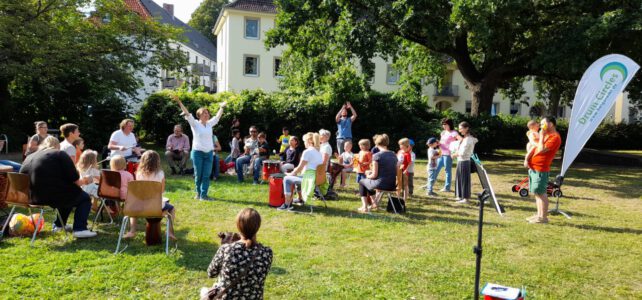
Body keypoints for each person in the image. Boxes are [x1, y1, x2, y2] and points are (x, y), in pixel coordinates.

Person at [19, 136, 97, 238]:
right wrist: (86, 180)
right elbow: (75, 179)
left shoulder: (30, 157)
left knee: (69, 194)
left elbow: (21, 177)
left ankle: (59, 225)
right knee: (84, 198)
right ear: (57, 146)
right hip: (51, 195)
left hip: (30, 196)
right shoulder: (59, 154)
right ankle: (80, 229)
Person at [202, 208, 272, 299]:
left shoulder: (226, 249)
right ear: (258, 227)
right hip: (254, 297)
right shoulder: (267, 252)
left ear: (238, 226)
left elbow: (211, 273)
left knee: (204, 292)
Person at [173, 95, 226, 201]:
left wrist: (222, 107)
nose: (207, 115)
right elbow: (187, 113)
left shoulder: (210, 124)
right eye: (204, 113)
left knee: (206, 175)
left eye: (207, 113)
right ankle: (198, 193)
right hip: (198, 153)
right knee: (198, 174)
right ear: (199, 115)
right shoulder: (195, 124)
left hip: (209, 153)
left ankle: (204, 195)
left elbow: (217, 117)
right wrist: (179, 102)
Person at [124, 151, 176, 240]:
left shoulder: (138, 173)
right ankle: (169, 232)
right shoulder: (160, 174)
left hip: (140, 205)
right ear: (157, 161)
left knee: (133, 210)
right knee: (172, 208)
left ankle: (132, 231)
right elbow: (161, 190)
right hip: (156, 206)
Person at [525, 116, 562, 224]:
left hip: (541, 168)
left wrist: (541, 136)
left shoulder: (554, 137)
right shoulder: (547, 135)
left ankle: (543, 218)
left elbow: (541, 149)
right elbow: (534, 146)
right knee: (537, 192)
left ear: (551, 124)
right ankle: (539, 215)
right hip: (534, 167)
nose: (541, 126)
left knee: (541, 193)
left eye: (543, 124)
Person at [278, 132, 324, 210]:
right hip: (316, 179)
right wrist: (294, 173)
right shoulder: (318, 153)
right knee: (296, 177)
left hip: (309, 179)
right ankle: (300, 199)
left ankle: (287, 204)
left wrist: (289, 174)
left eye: (304, 141)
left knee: (286, 179)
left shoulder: (307, 152)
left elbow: (299, 168)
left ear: (309, 141)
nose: (304, 143)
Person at [357, 134, 399, 213]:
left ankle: (364, 206)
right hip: (392, 185)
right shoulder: (393, 154)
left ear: (376, 144)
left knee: (362, 181)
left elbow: (374, 175)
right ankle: (375, 204)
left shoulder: (377, 156)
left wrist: (368, 174)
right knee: (368, 182)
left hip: (381, 184)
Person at [452, 122, 478, 204]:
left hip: (465, 162)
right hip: (461, 161)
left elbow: (463, 152)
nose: (460, 131)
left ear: (466, 128)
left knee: (464, 181)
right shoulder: (466, 138)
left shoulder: (468, 139)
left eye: (461, 128)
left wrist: (455, 154)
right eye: (459, 129)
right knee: (459, 179)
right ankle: (460, 196)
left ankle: (466, 199)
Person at [434, 118, 460, 192]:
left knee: (447, 171)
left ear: (450, 124)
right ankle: (430, 184)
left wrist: (456, 150)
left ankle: (447, 188)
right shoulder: (443, 132)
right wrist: (437, 143)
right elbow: (442, 142)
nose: (443, 126)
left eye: (445, 124)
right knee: (435, 169)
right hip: (440, 153)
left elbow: (460, 140)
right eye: (443, 124)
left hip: (448, 155)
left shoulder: (454, 133)